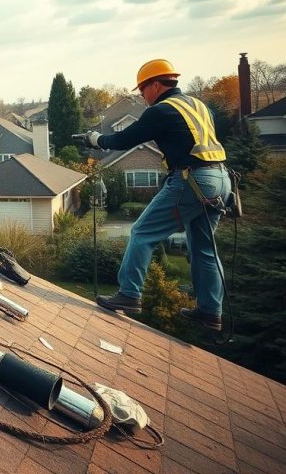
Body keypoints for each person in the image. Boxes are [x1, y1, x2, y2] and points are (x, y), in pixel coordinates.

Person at [80, 59, 231, 331]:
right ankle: (210, 311)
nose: (141, 95)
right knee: (203, 246)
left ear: (157, 84)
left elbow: (124, 140)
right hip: (221, 179)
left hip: (192, 179)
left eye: (143, 89)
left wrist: (95, 140)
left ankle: (129, 294)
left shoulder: (162, 110)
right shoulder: (198, 106)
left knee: (142, 232)